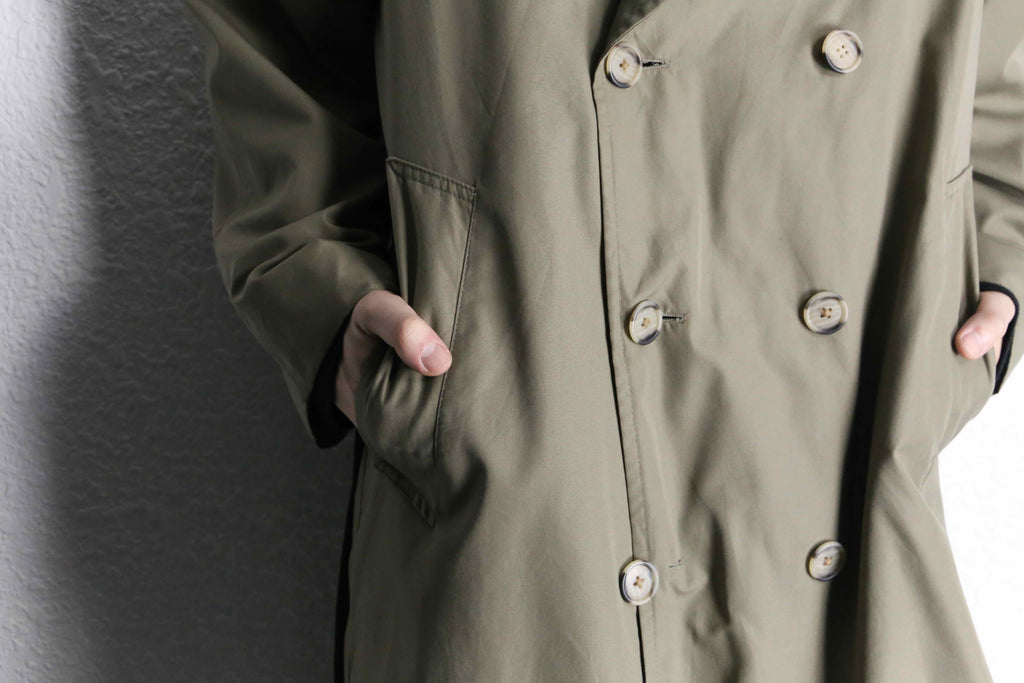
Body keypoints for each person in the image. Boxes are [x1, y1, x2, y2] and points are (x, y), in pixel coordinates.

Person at [183, 0, 1024, 680]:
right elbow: (277, 40)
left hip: (852, 452)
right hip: (532, 453)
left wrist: (995, 253)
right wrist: (323, 286)